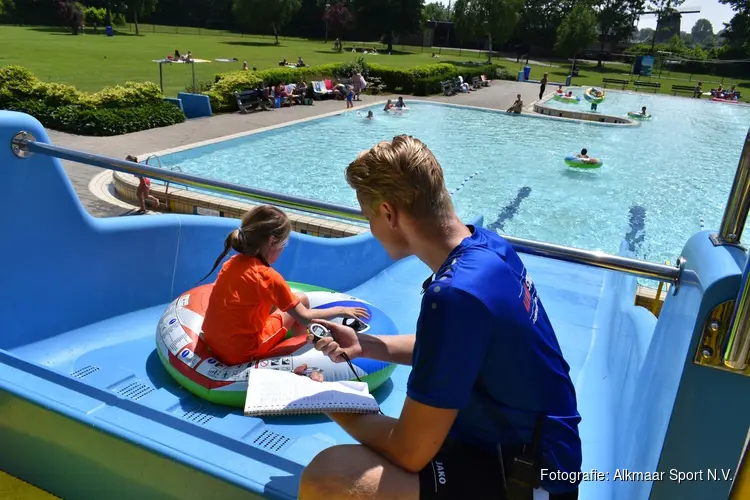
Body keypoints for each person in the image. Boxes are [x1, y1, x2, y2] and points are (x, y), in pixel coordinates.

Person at [299, 136, 582, 500]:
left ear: (388, 213)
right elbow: (465, 349)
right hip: (536, 451)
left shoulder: (454, 296)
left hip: (524, 478)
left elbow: (408, 451)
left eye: (368, 218)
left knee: (331, 477)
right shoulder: (487, 247)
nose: (371, 228)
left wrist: (332, 400)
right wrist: (367, 345)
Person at [200, 205, 369, 366]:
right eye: (284, 244)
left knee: (291, 301)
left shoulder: (231, 263)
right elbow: (306, 317)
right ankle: (302, 349)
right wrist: (342, 310)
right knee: (302, 301)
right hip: (241, 352)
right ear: (273, 241)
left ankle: (296, 342)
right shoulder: (269, 278)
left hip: (213, 340)